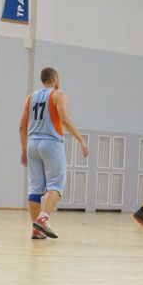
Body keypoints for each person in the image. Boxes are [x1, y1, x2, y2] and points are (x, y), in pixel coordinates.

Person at [19, 67, 89, 239]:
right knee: (56, 184)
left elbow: (22, 126)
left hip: (32, 144)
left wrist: (24, 149)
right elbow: (64, 120)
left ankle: (36, 229)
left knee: (35, 187)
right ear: (55, 78)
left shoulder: (30, 97)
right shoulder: (58, 95)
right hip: (51, 143)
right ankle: (43, 219)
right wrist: (81, 140)